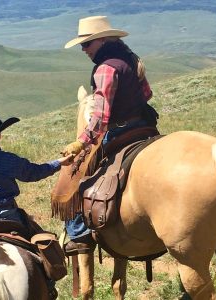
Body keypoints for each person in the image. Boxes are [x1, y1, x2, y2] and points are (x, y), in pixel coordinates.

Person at [61, 16, 159, 255]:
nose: (84, 50)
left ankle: (78, 235)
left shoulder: (105, 69)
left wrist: (80, 143)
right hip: (144, 127)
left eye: (87, 44)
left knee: (75, 177)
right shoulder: (132, 59)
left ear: (102, 40)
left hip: (119, 130)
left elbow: (101, 119)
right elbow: (147, 93)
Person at [0, 106, 73, 229]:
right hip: (10, 216)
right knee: (42, 241)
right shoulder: (9, 160)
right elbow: (34, 173)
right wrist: (58, 163)